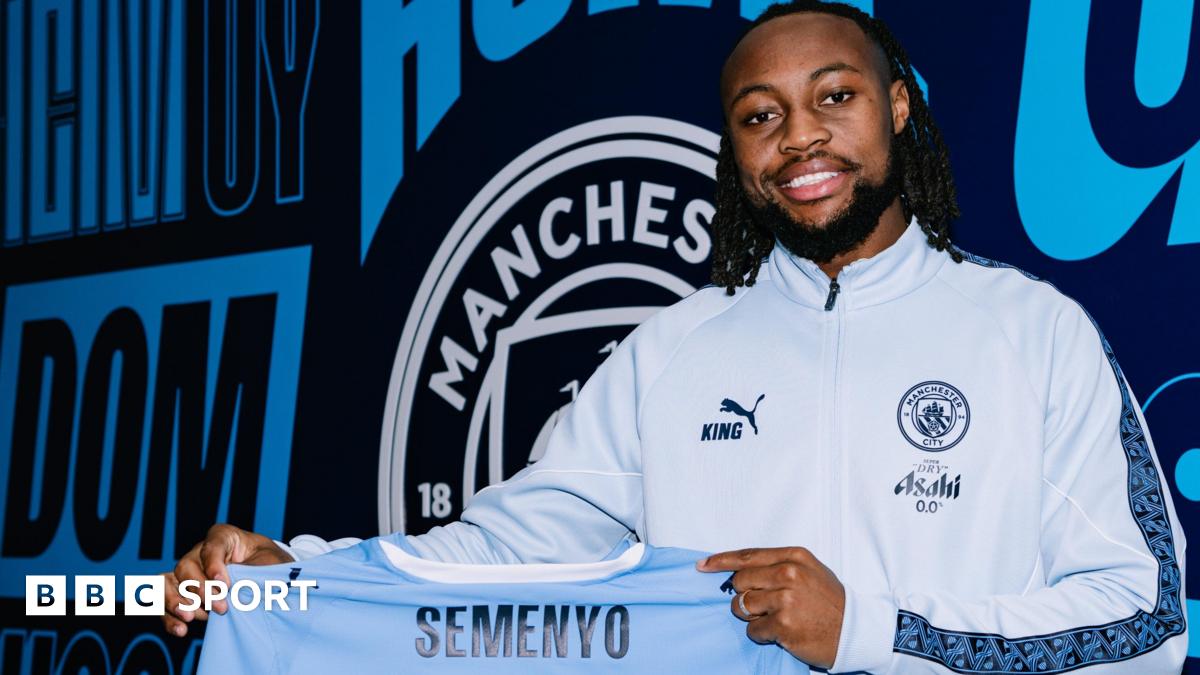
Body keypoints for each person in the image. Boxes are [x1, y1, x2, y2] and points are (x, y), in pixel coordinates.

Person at [162, 2, 1189, 671]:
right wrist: (297, 571)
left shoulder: (1034, 333)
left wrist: (871, 629)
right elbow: (507, 558)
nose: (800, 139)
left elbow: (1145, 618)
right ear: (732, 150)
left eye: (834, 97)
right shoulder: (671, 353)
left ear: (900, 106)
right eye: (759, 116)